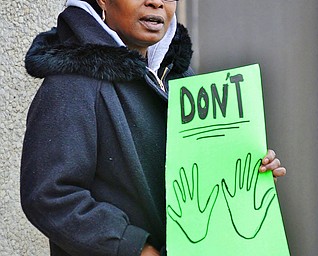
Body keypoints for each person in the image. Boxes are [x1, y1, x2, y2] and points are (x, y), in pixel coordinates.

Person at [20, 0, 287, 255]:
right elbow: (50, 196)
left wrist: (250, 173)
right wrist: (135, 247)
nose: (156, 3)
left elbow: (197, 177)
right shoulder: (72, 85)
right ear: (103, 0)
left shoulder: (181, 78)